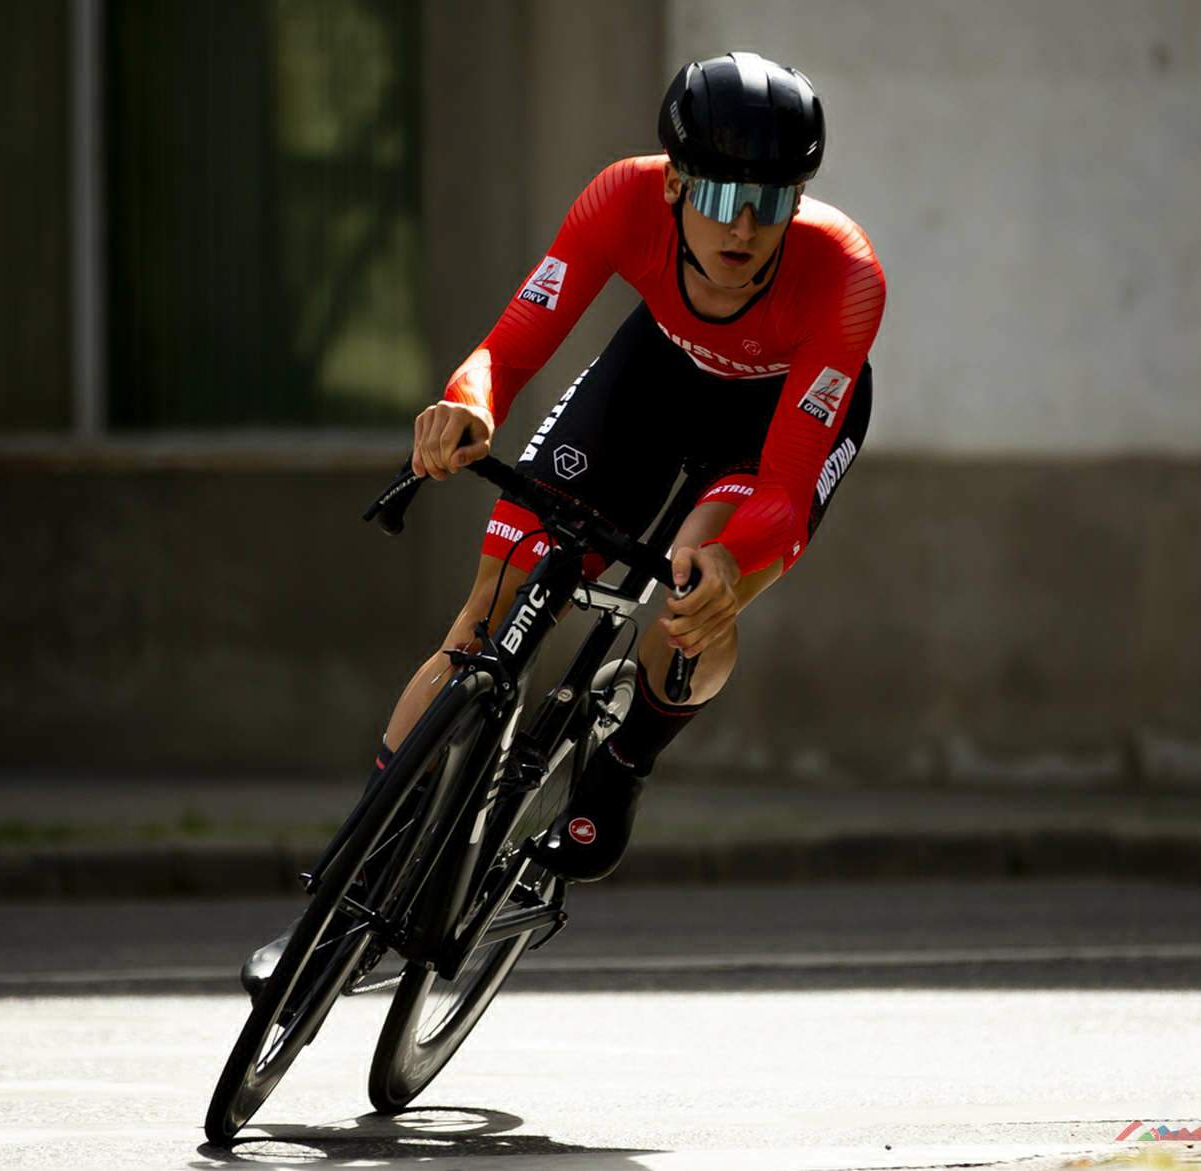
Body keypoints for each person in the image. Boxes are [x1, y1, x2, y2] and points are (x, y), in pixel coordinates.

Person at [243, 50, 884, 994]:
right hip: (655, 377)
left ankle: (624, 761)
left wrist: (731, 566)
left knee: (694, 585)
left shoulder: (844, 274)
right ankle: (339, 907)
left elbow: (785, 493)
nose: (744, 226)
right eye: (719, 194)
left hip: (774, 424)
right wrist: (467, 407)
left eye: (770, 200)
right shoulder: (622, 199)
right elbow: (508, 348)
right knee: (485, 612)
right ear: (674, 184)